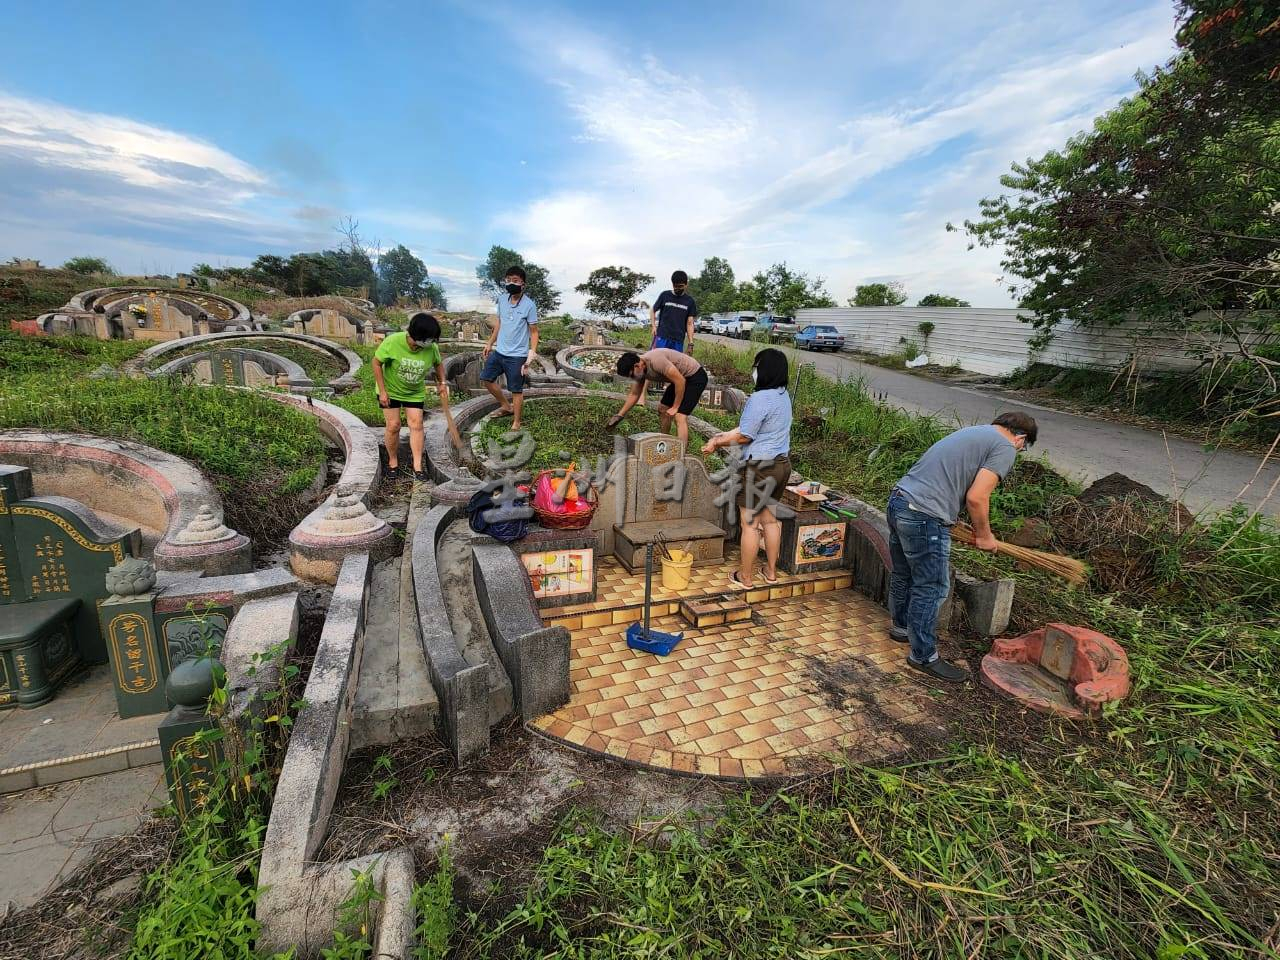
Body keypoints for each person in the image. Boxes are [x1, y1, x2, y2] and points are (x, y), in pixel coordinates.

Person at [888, 412, 1038, 681]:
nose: (1019, 451)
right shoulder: (1005, 446)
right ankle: (923, 656)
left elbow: (947, 477)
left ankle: (901, 627)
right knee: (932, 586)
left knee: (905, 574)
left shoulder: (974, 433)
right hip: (923, 515)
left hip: (900, 500)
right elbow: (977, 497)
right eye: (1023, 448)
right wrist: (984, 535)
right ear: (1021, 439)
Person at [701, 348, 792, 587]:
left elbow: (745, 436)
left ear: (765, 370)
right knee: (770, 520)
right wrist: (720, 435)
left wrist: (717, 442)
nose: (754, 371)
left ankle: (746, 577)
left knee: (749, 524)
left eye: (757, 366)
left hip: (760, 468)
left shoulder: (759, 398)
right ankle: (770, 573)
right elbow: (748, 430)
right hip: (781, 465)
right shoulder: (783, 395)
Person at [373, 311, 451, 482]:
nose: (432, 342)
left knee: (416, 424)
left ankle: (417, 465)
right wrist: (383, 391)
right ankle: (393, 462)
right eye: (429, 338)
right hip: (390, 390)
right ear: (417, 336)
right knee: (393, 425)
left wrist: (442, 383)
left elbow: (438, 364)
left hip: (414, 392)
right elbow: (377, 362)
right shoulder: (393, 342)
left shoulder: (431, 348)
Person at [606, 348, 707, 444]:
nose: (633, 378)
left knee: (680, 416)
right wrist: (619, 415)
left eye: (632, 375)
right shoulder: (640, 371)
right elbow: (635, 394)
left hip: (695, 376)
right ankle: (664, 443)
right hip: (681, 378)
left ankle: (681, 456)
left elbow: (680, 381)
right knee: (663, 409)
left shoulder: (656, 361)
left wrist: (675, 407)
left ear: (637, 366)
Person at [481, 264, 539, 430]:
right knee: (486, 378)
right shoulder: (501, 300)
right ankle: (506, 406)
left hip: (517, 355)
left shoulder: (529, 305)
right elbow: (499, 323)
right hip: (500, 352)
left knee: (516, 389)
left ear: (523, 284)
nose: (510, 283)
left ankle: (516, 422)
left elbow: (534, 332)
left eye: (515, 280)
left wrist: (531, 352)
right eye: (508, 280)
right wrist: (490, 343)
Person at [650, 270, 698, 352]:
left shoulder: (690, 301)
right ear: (672, 284)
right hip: (662, 336)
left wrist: (690, 343)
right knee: (656, 360)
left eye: (680, 286)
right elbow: (653, 310)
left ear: (686, 285)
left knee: (674, 363)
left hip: (678, 340)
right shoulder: (665, 295)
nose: (678, 288)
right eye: (675, 286)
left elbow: (690, 323)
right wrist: (654, 326)